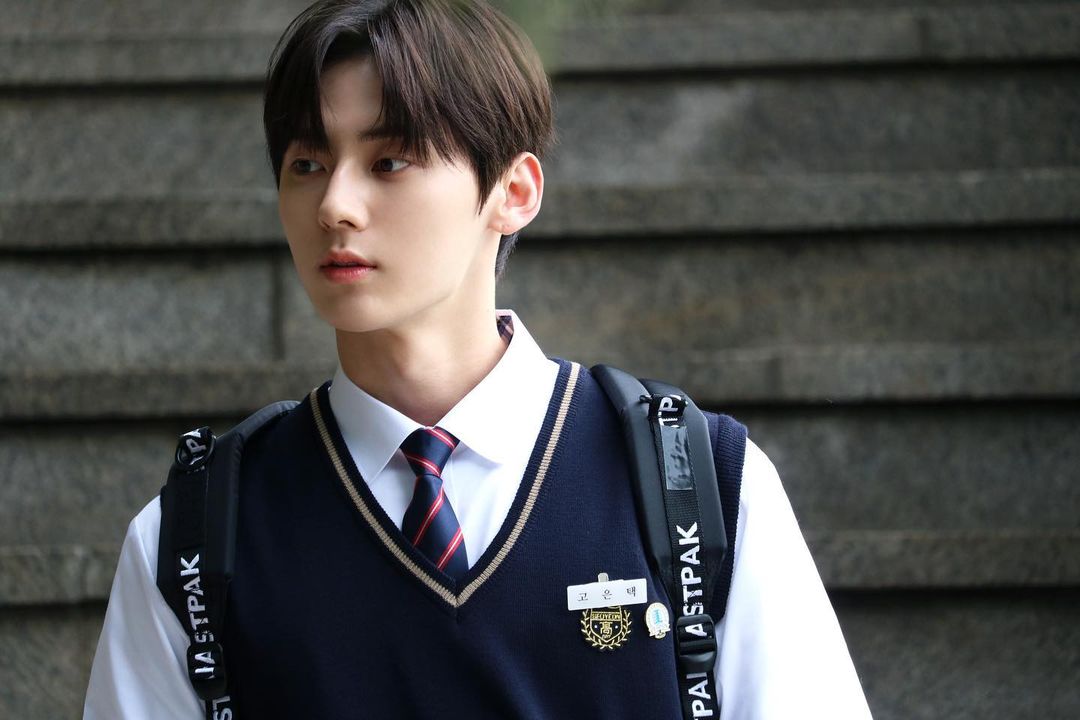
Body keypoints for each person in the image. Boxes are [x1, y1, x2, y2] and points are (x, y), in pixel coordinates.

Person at [84, 1, 873, 718]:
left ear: (514, 192)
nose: (334, 206)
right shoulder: (194, 539)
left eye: (389, 161)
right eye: (307, 165)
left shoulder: (700, 488)